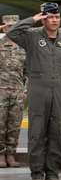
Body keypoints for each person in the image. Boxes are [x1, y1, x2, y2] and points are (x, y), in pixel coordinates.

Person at [6, 3, 61, 180]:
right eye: (49, 17)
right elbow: (12, 33)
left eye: (57, 17)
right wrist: (32, 20)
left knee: (56, 133)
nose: (54, 20)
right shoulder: (31, 36)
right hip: (38, 88)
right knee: (37, 133)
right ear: (43, 18)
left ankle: (52, 174)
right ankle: (37, 174)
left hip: (60, 89)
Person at [0, 15, 26, 169]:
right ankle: (0, 155)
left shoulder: (23, 47)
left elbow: (27, 72)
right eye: (10, 27)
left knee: (14, 126)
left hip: (17, 91)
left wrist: (26, 90)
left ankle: (11, 154)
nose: (13, 29)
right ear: (4, 28)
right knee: (0, 124)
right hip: (1, 91)